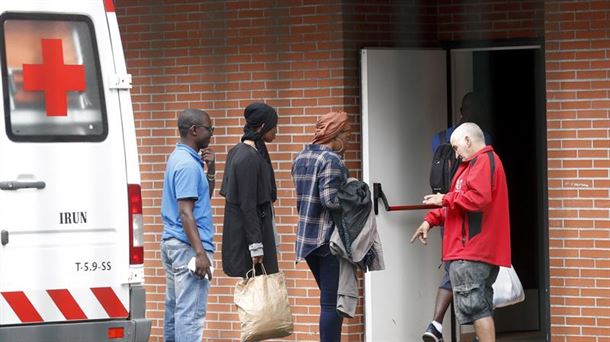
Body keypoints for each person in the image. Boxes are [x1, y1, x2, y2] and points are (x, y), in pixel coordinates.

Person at [411, 122, 511, 342]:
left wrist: (443, 198)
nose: (455, 154)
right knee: (480, 308)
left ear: (468, 140)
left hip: (471, 250)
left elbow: (478, 199)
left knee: (477, 310)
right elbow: (460, 206)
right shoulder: (475, 164)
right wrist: (431, 219)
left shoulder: (483, 162)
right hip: (471, 250)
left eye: (456, 148)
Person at [423, 92, 491, 342]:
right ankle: (444, 325)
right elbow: (475, 196)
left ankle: (437, 325)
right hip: (459, 212)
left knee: (457, 267)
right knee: (464, 270)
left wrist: (440, 205)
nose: (457, 154)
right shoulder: (481, 142)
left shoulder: (440, 138)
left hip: (450, 208)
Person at [291, 111, 351, 342]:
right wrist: (354, 196)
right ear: (335, 132)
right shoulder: (332, 160)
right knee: (331, 303)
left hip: (307, 240)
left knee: (328, 300)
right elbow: (330, 200)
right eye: (346, 133)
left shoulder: (301, 157)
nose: (348, 138)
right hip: (328, 240)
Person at [160, 108, 216, 342]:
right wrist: (200, 253)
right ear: (194, 130)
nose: (211, 134)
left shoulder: (181, 158)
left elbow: (200, 200)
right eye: (209, 129)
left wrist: (210, 171)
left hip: (175, 244)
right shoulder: (187, 165)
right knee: (190, 315)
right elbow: (185, 212)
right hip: (188, 248)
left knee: (176, 311)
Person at [220, 102, 279, 278]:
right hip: (250, 238)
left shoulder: (241, 152)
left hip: (251, 233)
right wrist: (256, 246)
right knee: (255, 297)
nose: (275, 131)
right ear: (262, 126)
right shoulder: (248, 157)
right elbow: (247, 204)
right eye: (273, 126)